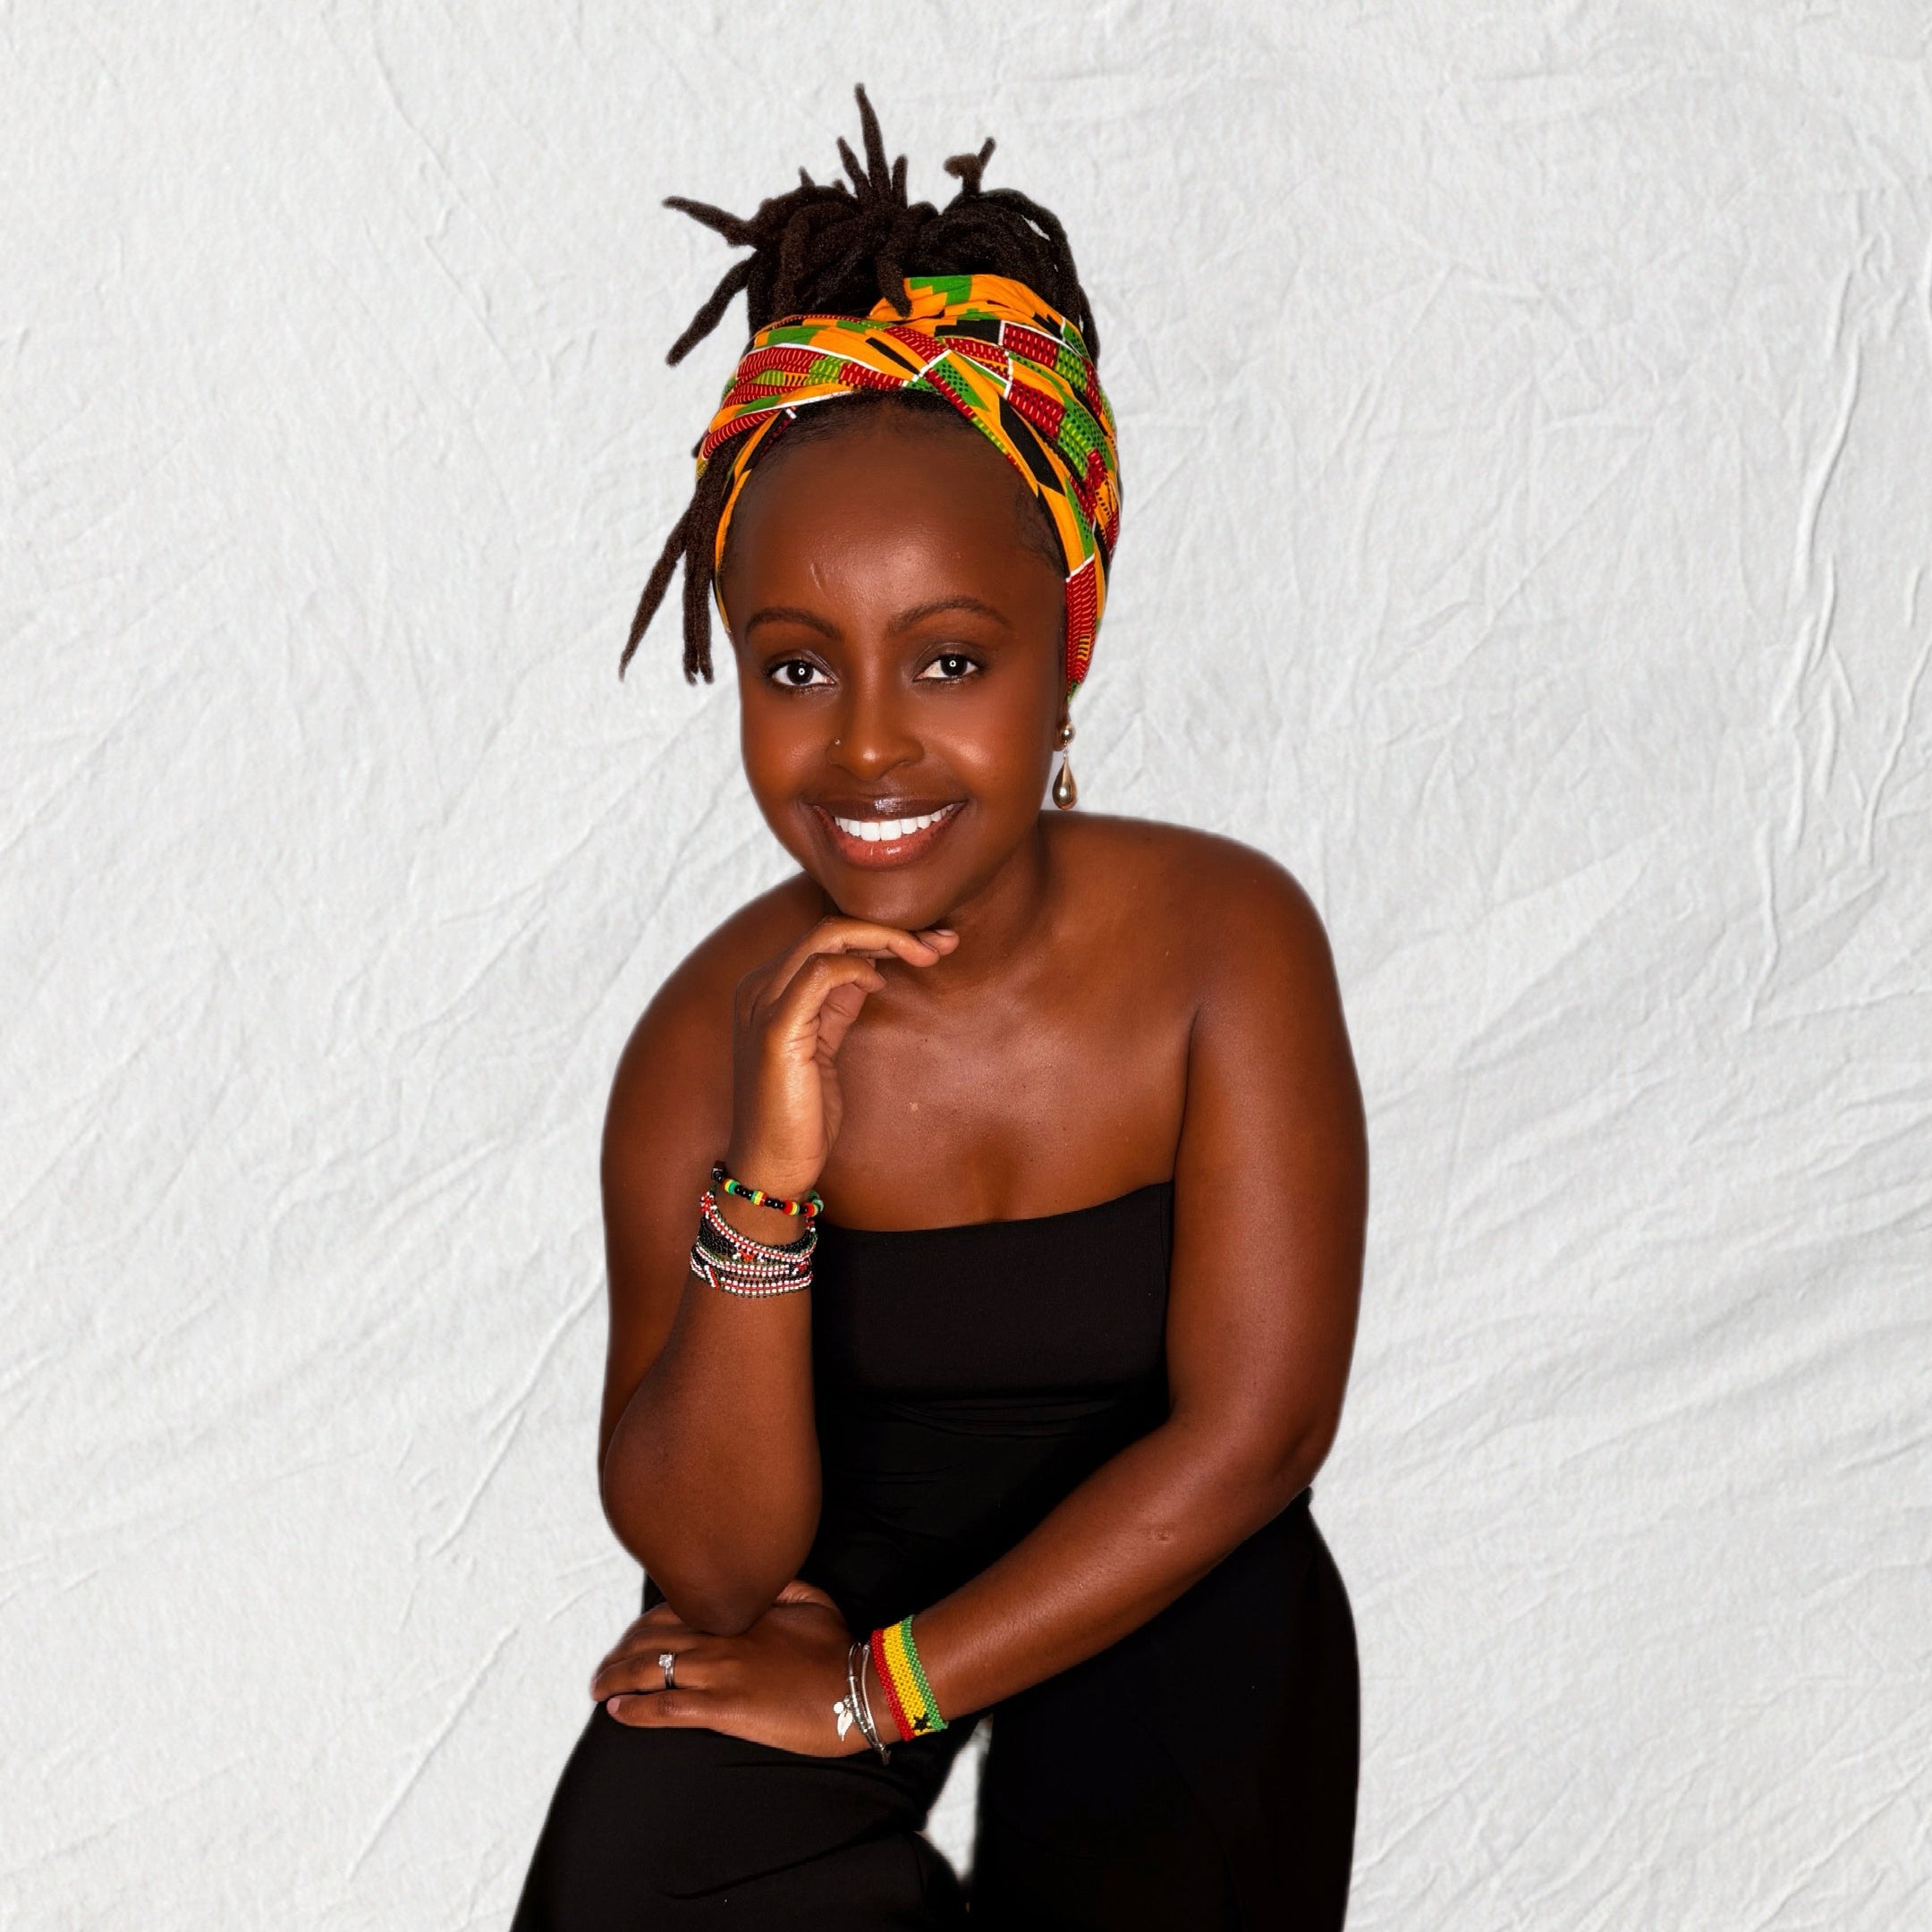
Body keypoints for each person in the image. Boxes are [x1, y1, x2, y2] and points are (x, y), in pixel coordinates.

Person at [509, 86, 1367, 1931]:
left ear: (1072, 637)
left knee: (1212, 1664)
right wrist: (769, 1175)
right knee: (635, 1879)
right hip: (833, 1596)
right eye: (798, 666)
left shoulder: (1231, 947)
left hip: (1172, 1576)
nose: (872, 744)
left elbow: (1257, 1441)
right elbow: (713, 1565)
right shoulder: (700, 1040)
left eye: (952, 658)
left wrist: (877, 1695)